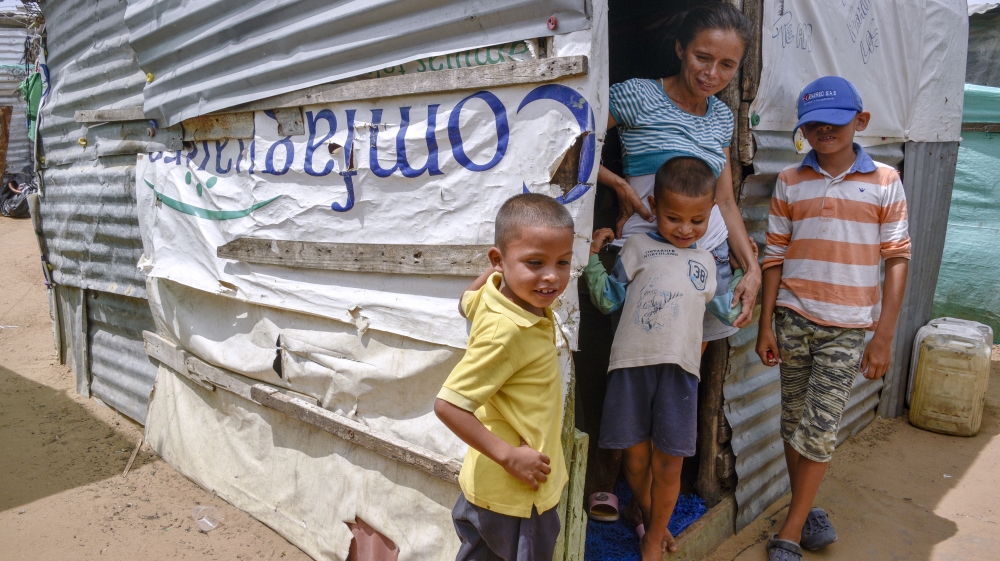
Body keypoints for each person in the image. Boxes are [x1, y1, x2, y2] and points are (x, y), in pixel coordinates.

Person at [583, 0, 761, 526]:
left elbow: (725, 202)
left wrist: (750, 267)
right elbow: (574, 139)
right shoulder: (638, 94)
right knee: (632, 375)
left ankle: (654, 511)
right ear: (681, 48)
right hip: (645, 263)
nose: (712, 74)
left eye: (727, 65)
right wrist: (616, 183)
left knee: (677, 382)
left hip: (706, 266)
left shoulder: (723, 117)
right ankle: (625, 492)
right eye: (703, 57)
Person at [755, 76, 910, 561]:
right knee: (793, 422)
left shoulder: (885, 180)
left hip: (847, 327)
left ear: (860, 121)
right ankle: (807, 510)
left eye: (835, 122)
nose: (824, 131)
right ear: (802, 130)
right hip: (793, 318)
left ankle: (790, 530)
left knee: (820, 428)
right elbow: (774, 256)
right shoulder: (789, 180)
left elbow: (897, 258)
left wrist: (884, 336)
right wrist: (765, 324)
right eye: (814, 125)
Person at [586, 157, 728, 560]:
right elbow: (607, 299)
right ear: (653, 205)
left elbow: (728, 311)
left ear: (711, 213)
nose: (685, 229)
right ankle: (652, 518)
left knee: (669, 464)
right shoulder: (637, 247)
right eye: (673, 218)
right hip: (630, 367)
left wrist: (749, 275)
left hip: (679, 373)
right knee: (634, 459)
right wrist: (593, 257)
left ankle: (652, 539)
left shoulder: (707, 262)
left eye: (697, 221)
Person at [434, 193, 574, 561]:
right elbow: (448, 405)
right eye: (535, 262)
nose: (552, 276)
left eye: (563, 262)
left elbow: (465, 300)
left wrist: (500, 272)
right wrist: (510, 457)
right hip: (516, 494)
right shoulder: (507, 330)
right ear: (498, 259)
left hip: (499, 488)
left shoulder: (495, 297)